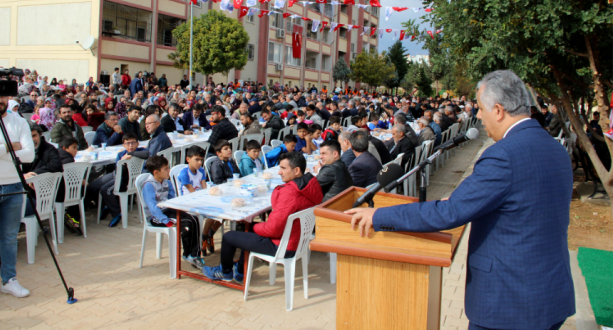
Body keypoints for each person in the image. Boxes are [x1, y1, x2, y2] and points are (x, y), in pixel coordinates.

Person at [346, 70, 576, 330]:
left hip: (510, 303)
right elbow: (523, 204)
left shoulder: (503, 155)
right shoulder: (553, 147)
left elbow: (449, 214)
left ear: (498, 110)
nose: (478, 116)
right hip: (552, 293)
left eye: (480, 109)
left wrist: (379, 216)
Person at [203, 152, 323, 282]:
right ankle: (239, 270)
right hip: (296, 241)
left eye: (283, 169)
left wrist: (254, 227)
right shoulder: (309, 186)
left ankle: (225, 272)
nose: (279, 173)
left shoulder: (290, 192)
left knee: (230, 236)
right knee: (247, 230)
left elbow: (273, 229)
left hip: (282, 245)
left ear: (296, 171)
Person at [0, 95, 35, 298]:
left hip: (13, 185)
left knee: (10, 237)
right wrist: (12, 146)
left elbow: (29, 155)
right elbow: (21, 150)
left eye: (1, 95)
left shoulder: (19, 121)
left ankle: (9, 280)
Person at [142, 156, 204, 269]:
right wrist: (166, 221)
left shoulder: (167, 182)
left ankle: (194, 254)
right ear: (156, 172)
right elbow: (153, 208)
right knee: (186, 224)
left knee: (194, 219)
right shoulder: (148, 186)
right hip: (156, 216)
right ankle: (187, 254)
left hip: (168, 210)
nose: (168, 171)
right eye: (166, 169)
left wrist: (182, 209)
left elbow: (173, 200)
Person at [91, 133, 150, 228]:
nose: (130, 145)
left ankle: (116, 213)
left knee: (105, 189)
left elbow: (147, 154)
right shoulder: (120, 154)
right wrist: (122, 159)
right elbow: (117, 170)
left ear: (137, 143)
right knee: (92, 186)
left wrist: (128, 156)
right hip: (116, 174)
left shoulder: (141, 151)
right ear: (123, 145)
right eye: (128, 143)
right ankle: (106, 206)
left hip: (126, 178)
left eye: (133, 143)